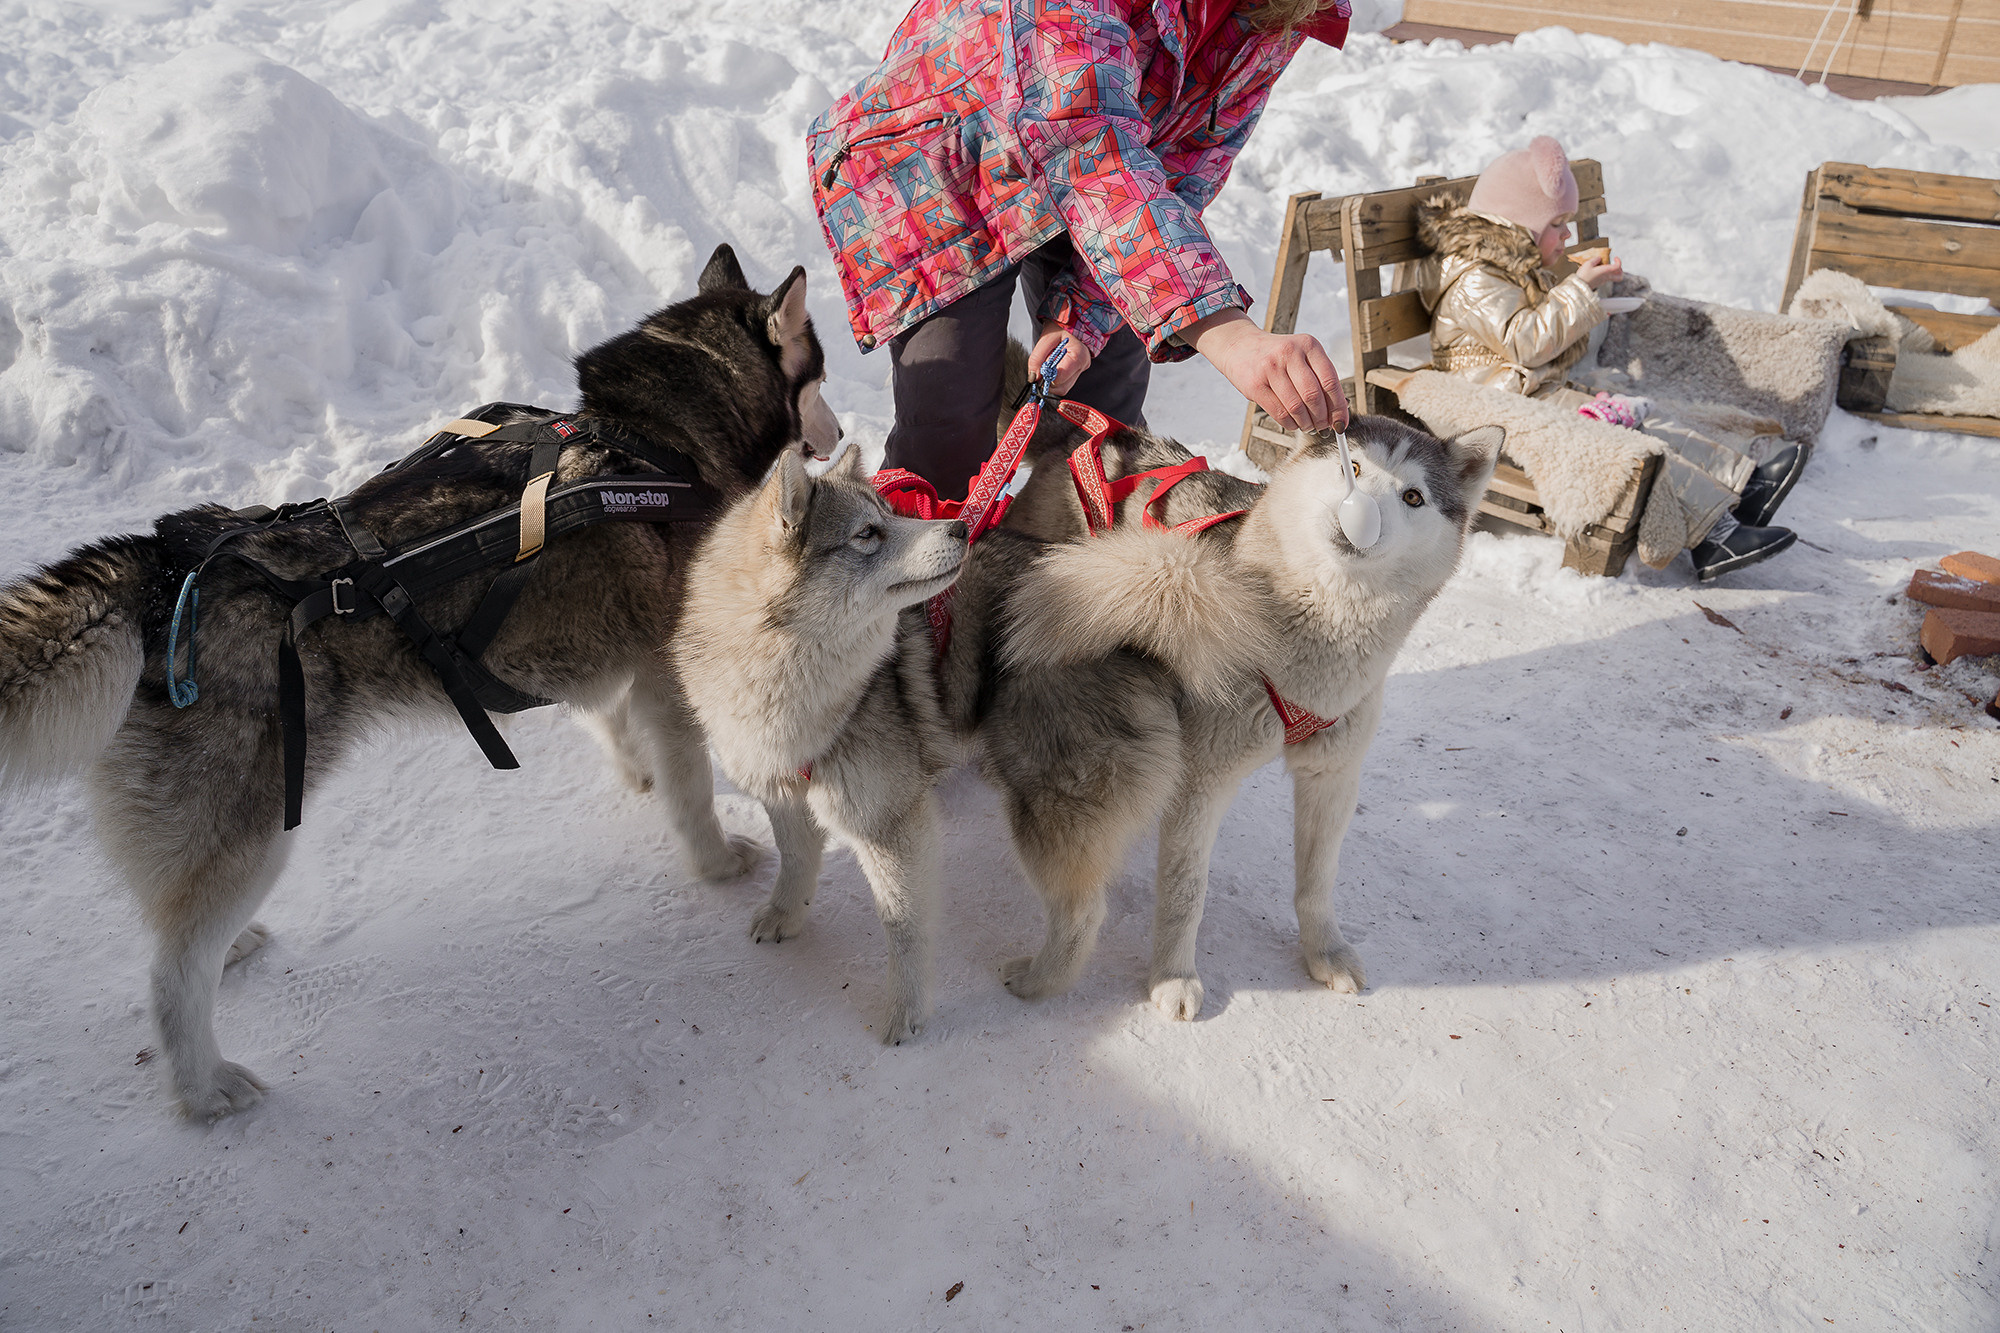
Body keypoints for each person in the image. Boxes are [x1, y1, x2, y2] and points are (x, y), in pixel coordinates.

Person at [810, 0, 1353, 497]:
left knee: (1105, 417)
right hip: (940, 167)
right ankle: (917, 596)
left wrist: (1084, 315)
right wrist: (1227, 333)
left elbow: (1187, 161)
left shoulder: (1286, 9)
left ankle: (1068, 577)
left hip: (1101, 173)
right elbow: (1086, 144)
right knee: (948, 418)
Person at [1414, 137, 1806, 582]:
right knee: (1626, 436)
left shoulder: (1508, 270)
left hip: (1530, 392)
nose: (1567, 235)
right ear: (1518, 225)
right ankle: (1714, 535)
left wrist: (1588, 299)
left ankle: (1744, 486)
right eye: (1557, 224)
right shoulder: (1474, 278)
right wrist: (1578, 290)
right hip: (1497, 408)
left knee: (1638, 416)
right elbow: (1526, 341)